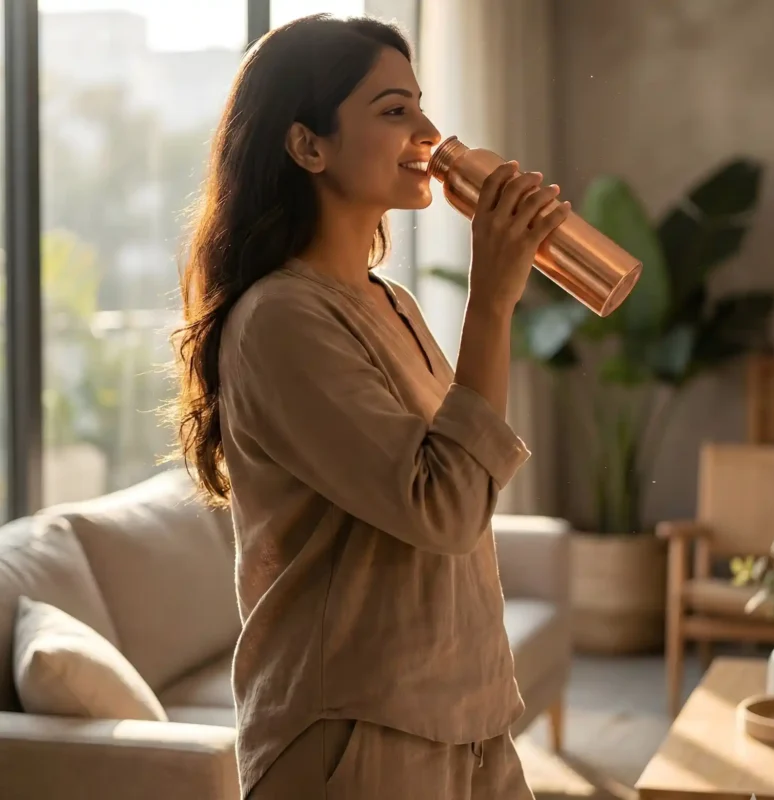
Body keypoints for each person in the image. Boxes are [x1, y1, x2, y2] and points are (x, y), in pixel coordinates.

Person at [171, 12, 569, 800]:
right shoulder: (280, 319)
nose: (427, 131)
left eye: (421, 105)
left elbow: (461, 494)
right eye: (394, 111)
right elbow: (444, 507)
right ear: (307, 145)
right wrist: (491, 300)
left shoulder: (392, 304)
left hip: (463, 711)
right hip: (356, 732)